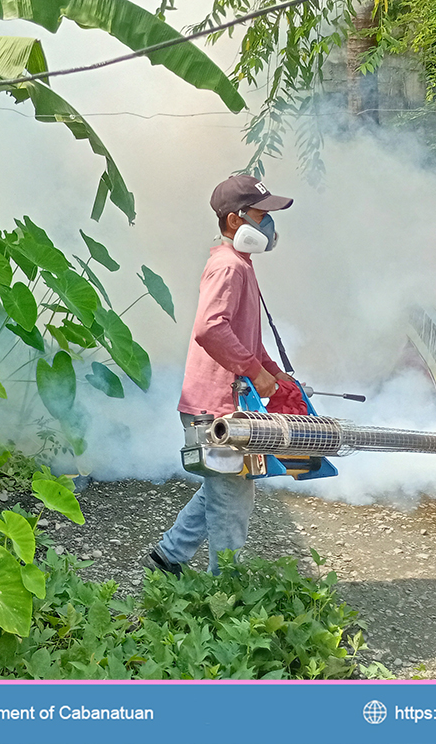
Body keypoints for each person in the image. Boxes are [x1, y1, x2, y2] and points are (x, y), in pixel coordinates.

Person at [143, 174, 295, 576]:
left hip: (218, 404)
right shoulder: (228, 266)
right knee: (233, 501)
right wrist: (251, 371)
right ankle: (223, 593)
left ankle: (168, 557)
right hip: (215, 411)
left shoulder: (239, 264)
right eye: (262, 215)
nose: (269, 225)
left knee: (220, 486)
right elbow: (211, 328)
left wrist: (272, 373)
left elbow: (245, 335)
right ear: (234, 221)